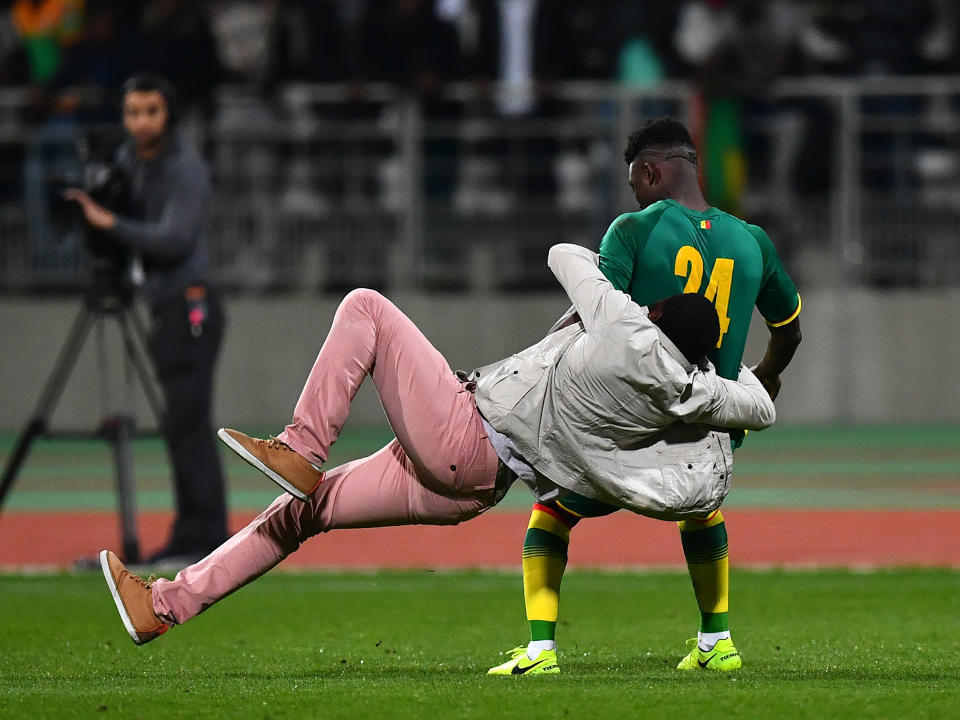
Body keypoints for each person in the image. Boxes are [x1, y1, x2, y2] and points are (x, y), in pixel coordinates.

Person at [99, 242, 775, 648]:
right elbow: (762, 406)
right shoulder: (689, 387)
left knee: (365, 305)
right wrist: (720, 371)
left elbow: (566, 257)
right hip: (477, 483)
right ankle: (162, 608)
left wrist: (622, 271)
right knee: (300, 516)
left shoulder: (624, 330)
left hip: (465, 431)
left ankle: (302, 448)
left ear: (652, 315)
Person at [493, 117, 802, 676]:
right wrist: (766, 376)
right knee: (703, 512)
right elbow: (790, 330)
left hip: (630, 433)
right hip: (709, 429)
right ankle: (718, 641)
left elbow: (598, 321)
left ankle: (540, 651)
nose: (633, 191)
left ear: (650, 170)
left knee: (551, 511)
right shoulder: (752, 242)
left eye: (635, 180)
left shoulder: (633, 231)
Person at [65, 74, 228, 565]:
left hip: (191, 305)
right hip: (163, 306)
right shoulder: (128, 163)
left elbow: (174, 239)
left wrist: (109, 223)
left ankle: (205, 539)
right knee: (180, 425)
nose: (140, 123)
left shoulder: (185, 167)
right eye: (132, 112)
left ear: (168, 114)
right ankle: (192, 536)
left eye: (150, 112)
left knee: (189, 423)